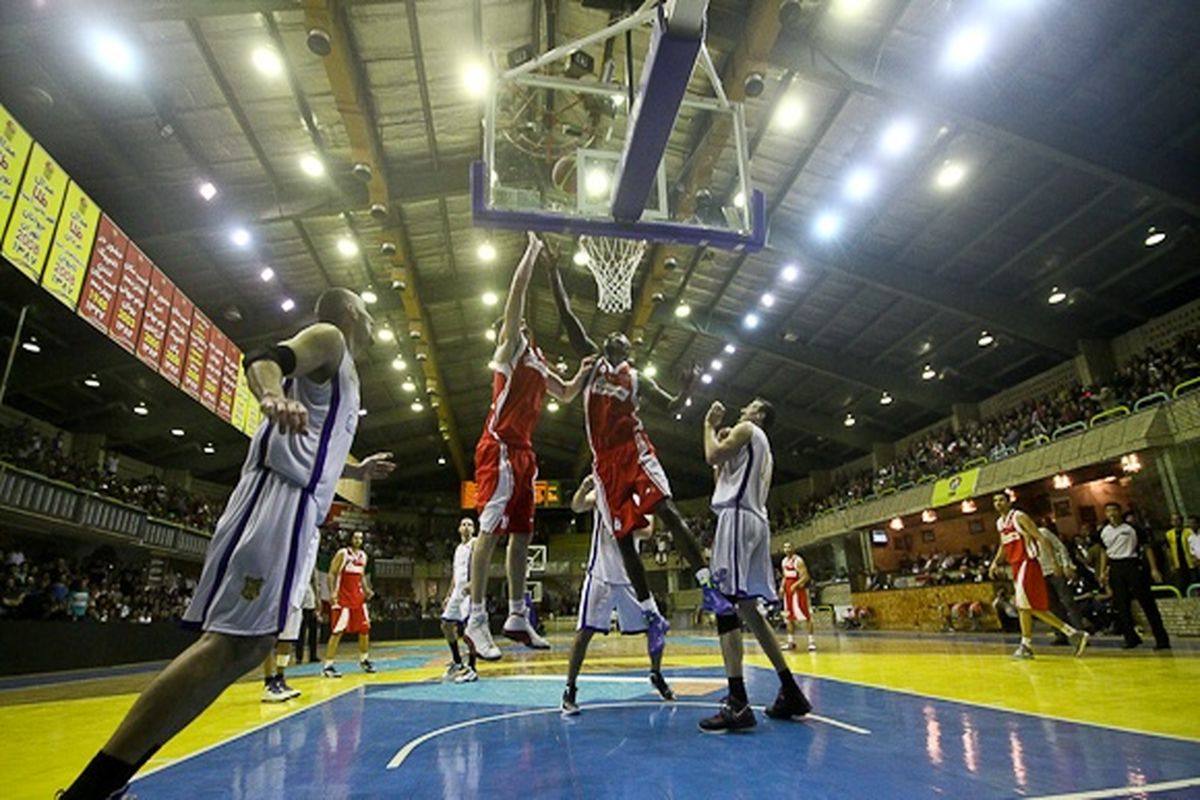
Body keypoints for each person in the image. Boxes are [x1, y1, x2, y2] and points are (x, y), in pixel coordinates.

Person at [59, 287, 395, 800]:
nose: (373, 323)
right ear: (349, 313)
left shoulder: (346, 378)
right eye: (368, 313)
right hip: (278, 495)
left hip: (298, 504)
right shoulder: (329, 338)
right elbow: (264, 358)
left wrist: (356, 469)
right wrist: (270, 394)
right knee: (232, 643)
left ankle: (105, 784)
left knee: (248, 645)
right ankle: (91, 789)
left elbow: (318, 443)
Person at [548, 260, 730, 658]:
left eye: (624, 337)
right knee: (625, 540)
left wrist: (688, 387)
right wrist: (553, 271)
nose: (617, 334)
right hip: (606, 465)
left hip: (636, 450)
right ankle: (652, 615)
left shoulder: (637, 378)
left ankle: (707, 587)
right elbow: (566, 314)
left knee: (666, 510)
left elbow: (672, 408)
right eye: (612, 334)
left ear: (630, 349)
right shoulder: (593, 363)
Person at [463, 234, 594, 661]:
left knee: (523, 533)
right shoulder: (509, 351)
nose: (512, 324)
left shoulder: (537, 359)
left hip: (524, 453)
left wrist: (584, 371)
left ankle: (518, 615)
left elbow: (568, 393)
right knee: (489, 531)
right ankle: (476, 618)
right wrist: (532, 252)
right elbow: (515, 296)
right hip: (498, 447)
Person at [697, 398, 812, 733]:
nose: (743, 409)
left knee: (724, 607)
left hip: (737, 518)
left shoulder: (749, 430)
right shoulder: (765, 450)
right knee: (749, 610)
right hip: (756, 522)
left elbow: (710, 455)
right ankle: (790, 690)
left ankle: (737, 702)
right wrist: (721, 441)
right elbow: (719, 474)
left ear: (759, 415)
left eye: (749, 407)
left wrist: (707, 427)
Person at [560, 475, 675, 715]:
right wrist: (583, 488)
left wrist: (624, 516)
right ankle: (570, 689)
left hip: (629, 578)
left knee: (655, 628)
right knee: (584, 633)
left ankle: (656, 673)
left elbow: (647, 530)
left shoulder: (638, 496)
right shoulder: (602, 491)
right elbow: (576, 506)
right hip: (600, 574)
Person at [987, 493, 1088, 659]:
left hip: (1028, 562)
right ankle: (1068, 634)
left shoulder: (1019, 517)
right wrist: (995, 562)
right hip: (1016, 565)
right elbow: (1003, 545)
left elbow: (1040, 537)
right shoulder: (1000, 523)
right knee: (1026, 607)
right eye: (995, 501)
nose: (998, 503)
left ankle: (1033, 644)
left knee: (1024, 606)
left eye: (1001, 500)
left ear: (1009, 501)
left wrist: (1055, 563)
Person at [1098, 501, 1170, 650]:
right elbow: (1104, 552)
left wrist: (1153, 568)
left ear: (1119, 512)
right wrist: (1103, 571)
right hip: (1116, 567)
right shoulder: (1103, 531)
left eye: (1114, 510)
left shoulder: (1132, 528)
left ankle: (1161, 638)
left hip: (1132, 564)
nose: (1111, 514)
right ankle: (1130, 637)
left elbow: (1146, 547)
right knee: (1121, 605)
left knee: (1146, 602)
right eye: (1108, 511)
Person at [323, 530, 376, 677]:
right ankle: (328, 665)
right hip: (343, 598)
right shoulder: (343, 553)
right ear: (350, 539)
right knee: (337, 631)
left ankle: (364, 660)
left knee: (365, 629)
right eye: (356, 537)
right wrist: (332, 592)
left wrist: (366, 590)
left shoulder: (363, 556)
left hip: (358, 599)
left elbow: (361, 576)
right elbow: (332, 573)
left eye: (361, 538)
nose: (358, 540)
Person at [1035, 521, 1087, 644]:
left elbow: (1060, 547)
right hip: (1039, 575)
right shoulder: (1022, 539)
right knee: (1052, 606)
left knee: (1068, 602)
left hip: (1055, 571)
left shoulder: (1043, 532)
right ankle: (1061, 634)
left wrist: (1066, 565)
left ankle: (1080, 633)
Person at [441, 517, 479, 683]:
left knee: (469, 631)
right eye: (463, 524)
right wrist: (449, 594)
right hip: (457, 591)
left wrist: (475, 583)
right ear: (459, 529)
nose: (466, 527)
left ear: (474, 529)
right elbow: (455, 575)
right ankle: (457, 661)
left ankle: (472, 668)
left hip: (470, 591)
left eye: (470, 524)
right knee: (446, 625)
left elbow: (481, 565)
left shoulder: (476, 543)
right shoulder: (458, 549)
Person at [780, 542, 815, 651]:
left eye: (789, 547)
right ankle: (791, 642)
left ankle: (811, 642)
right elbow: (785, 576)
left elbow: (806, 577)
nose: (787, 549)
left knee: (806, 616)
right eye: (785, 547)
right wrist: (782, 587)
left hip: (798, 592)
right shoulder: (784, 561)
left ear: (793, 548)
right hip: (788, 593)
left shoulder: (798, 561)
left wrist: (795, 585)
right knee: (789, 617)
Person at [1161, 512, 1195, 594]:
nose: (1175, 522)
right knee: (1181, 585)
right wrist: (1171, 564)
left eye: (1177, 519)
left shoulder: (1189, 532)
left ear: (1181, 521)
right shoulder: (1169, 534)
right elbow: (1168, 550)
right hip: (1178, 564)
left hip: (1191, 563)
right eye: (1173, 520)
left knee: (1194, 583)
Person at [295, 568, 320, 664]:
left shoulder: (312, 569)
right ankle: (299, 656)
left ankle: (313, 655)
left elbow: (316, 584)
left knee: (314, 630)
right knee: (301, 631)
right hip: (300, 604)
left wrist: (317, 600)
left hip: (311, 602)